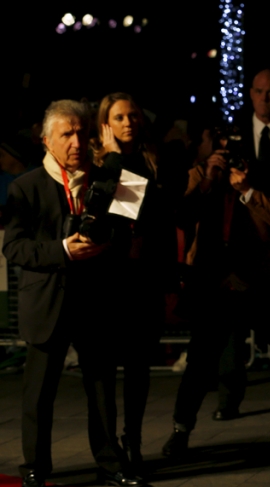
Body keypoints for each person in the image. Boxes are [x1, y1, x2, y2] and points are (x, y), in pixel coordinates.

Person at [162, 69, 270, 458]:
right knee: (201, 360)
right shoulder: (203, 174)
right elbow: (180, 215)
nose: (229, 152)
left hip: (259, 273)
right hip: (214, 277)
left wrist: (247, 190)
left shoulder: (258, 176)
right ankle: (181, 428)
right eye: (221, 144)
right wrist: (209, 179)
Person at [2, 99, 146, 487]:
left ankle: (111, 463)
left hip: (97, 300)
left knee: (102, 390)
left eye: (82, 132)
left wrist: (109, 241)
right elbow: (13, 248)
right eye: (66, 133)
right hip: (47, 301)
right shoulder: (24, 187)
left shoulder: (115, 178)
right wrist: (63, 249)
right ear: (46, 140)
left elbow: (131, 235)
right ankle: (34, 467)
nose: (76, 141)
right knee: (39, 393)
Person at [90, 92, 179, 467]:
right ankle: (111, 445)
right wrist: (113, 160)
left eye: (134, 116)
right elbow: (125, 208)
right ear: (105, 125)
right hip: (110, 279)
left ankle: (134, 440)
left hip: (145, 277)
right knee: (107, 367)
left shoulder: (152, 160)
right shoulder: (97, 164)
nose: (129, 122)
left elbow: (155, 214)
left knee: (140, 367)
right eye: (120, 117)